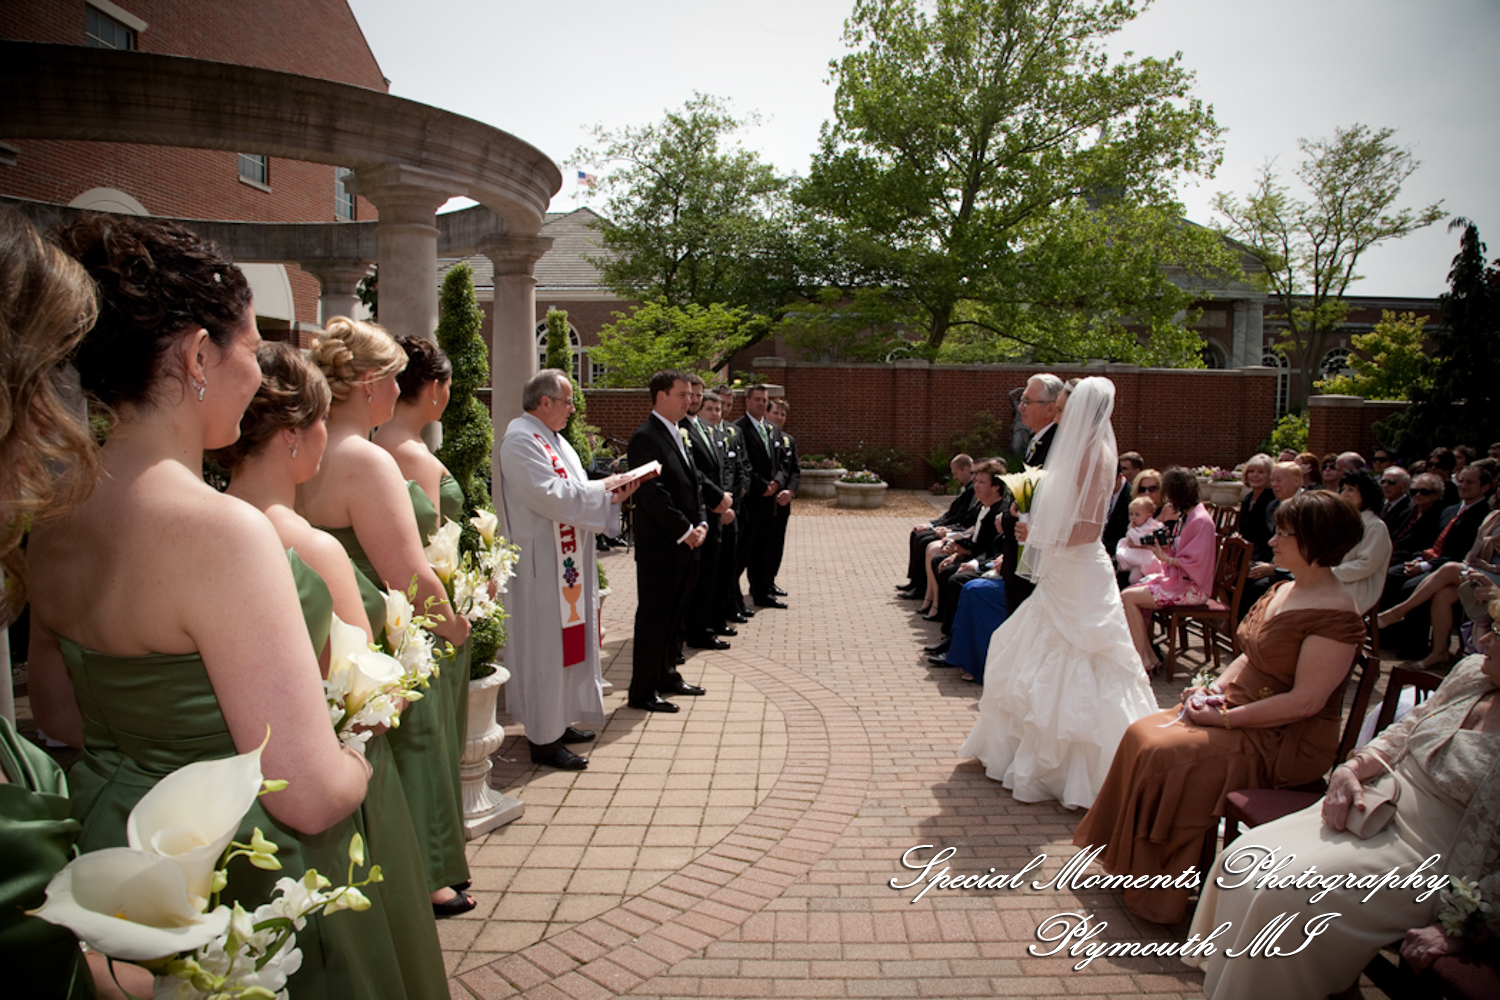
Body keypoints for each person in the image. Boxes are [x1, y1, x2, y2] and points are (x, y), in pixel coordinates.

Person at [27, 215, 376, 994]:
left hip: (111, 861)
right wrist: (361, 748)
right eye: (250, 348)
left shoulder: (51, 517)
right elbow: (310, 796)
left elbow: (59, 715)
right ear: (196, 355)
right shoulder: (224, 533)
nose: (256, 373)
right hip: (226, 872)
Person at [214, 341, 447, 994]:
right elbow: (368, 707)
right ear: (293, 435)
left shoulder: (179, 536)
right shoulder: (312, 550)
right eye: (321, 421)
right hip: (324, 794)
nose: (327, 435)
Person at [1185, 595, 1500, 1000]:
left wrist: (1469, 927)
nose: (1482, 639)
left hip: (1431, 854)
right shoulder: (1472, 673)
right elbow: (1406, 730)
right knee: (1243, 857)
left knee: (1284, 892)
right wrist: (1352, 770)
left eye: (1497, 632)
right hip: (1372, 805)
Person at [1072, 490, 1366, 924]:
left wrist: (1225, 717)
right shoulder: (1285, 588)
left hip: (1284, 738)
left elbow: (1306, 702)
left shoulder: (1336, 615)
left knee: (1167, 752)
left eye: (1283, 534)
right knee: (1140, 732)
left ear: (1314, 542)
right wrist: (1209, 688)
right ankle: (1130, 866)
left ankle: (1161, 890)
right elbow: (1249, 656)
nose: (1272, 541)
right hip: (1242, 708)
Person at [300, 316, 474, 917]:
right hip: (380, 629)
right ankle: (422, 875)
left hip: (321, 627)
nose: (401, 391)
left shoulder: (304, 450)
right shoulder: (366, 460)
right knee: (412, 749)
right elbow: (407, 573)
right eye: (396, 379)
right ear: (371, 384)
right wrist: (454, 625)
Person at [959, 377, 1158, 809]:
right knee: (1032, 645)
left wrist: (1037, 533)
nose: (1059, 415)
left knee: (1083, 654)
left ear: (1084, 411)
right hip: (1064, 570)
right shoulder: (1081, 450)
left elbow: (1088, 531)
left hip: (1078, 570)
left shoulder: (1093, 455)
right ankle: (1025, 749)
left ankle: (1081, 766)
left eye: (1065, 409)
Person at [498, 369, 642, 764]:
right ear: (544, 402)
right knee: (546, 650)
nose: (572, 410)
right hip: (542, 567)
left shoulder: (555, 440)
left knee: (567, 646)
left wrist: (611, 492)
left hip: (565, 565)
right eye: (567, 402)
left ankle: (559, 721)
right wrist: (605, 490)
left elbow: (577, 490)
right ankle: (543, 738)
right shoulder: (520, 440)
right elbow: (553, 495)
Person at [628, 369, 712, 712]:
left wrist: (702, 522)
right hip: (662, 547)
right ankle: (643, 690)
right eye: (682, 394)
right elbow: (652, 493)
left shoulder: (680, 433)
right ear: (661, 396)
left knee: (676, 616)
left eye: (691, 394)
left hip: (688, 543)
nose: (689, 400)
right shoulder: (645, 438)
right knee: (655, 618)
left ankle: (667, 675)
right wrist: (684, 530)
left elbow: (695, 485)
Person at [1380, 500, 1500, 669]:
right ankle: (1439, 652)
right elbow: (1472, 553)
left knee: (1450, 568)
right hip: (1480, 572)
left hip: (1496, 578)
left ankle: (1397, 612)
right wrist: (1469, 565)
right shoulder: (1493, 517)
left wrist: (1490, 568)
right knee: (1443, 595)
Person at [1120, 468, 1218, 674]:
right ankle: (1148, 656)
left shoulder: (1200, 520)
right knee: (1130, 591)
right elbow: (1181, 551)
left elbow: (1196, 561)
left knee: (1128, 597)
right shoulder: (1188, 515)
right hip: (1178, 580)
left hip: (1192, 588)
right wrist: (1164, 547)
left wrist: (1167, 558)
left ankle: (1144, 658)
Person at [680, 374, 732, 651]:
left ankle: (703, 627)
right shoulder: (679, 429)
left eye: (699, 394)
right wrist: (717, 498)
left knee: (710, 575)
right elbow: (694, 472)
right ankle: (692, 631)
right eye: (692, 394)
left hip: (712, 513)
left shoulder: (702, 427)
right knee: (695, 580)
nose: (695, 399)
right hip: (696, 512)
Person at [735, 384, 789, 609]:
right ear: (747, 401)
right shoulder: (738, 429)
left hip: (770, 502)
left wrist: (778, 482)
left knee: (765, 551)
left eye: (764, 400)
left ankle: (762, 592)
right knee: (744, 552)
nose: (761, 403)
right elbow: (743, 465)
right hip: (751, 501)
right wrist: (762, 485)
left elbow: (782, 463)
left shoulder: (772, 429)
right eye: (756, 399)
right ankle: (732, 600)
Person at [898, 454, 978, 599]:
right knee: (917, 534)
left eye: (956, 473)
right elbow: (950, 514)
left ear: (966, 469)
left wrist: (940, 528)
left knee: (923, 540)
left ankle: (922, 587)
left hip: (959, 529)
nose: (954, 477)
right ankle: (915, 581)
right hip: (953, 526)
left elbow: (960, 518)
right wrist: (931, 524)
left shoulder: (972, 490)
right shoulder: (965, 489)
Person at [1331, 468, 1394, 615]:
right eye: (1343, 489)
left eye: (1351, 490)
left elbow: (1366, 564)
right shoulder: (1342, 522)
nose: (1345, 494)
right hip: (1331, 582)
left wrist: (1330, 573)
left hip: (1356, 587)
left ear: (1366, 494)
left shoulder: (1375, 526)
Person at [766, 398, 800, 597]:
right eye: (776, 413)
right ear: (767, 414)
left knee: (777, 543)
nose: (779, 417)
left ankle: (770, 581)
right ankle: (759, 584)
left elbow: (794, 470)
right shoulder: (761, 437)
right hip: (765, 499)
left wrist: (790, 491)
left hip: (782, 501)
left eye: (783, 414)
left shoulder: (789, 440)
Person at [1115, 495, 1164, 585]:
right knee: (1131, 577)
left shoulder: (1149, 526)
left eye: (1137, 515)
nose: (1133, 518)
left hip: (1146, 557)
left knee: (1134, 579)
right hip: (1137, 559)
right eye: (1131, 514)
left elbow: (1138, 541)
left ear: (1149, 515)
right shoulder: (1138, 525)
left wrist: (1131, 530)